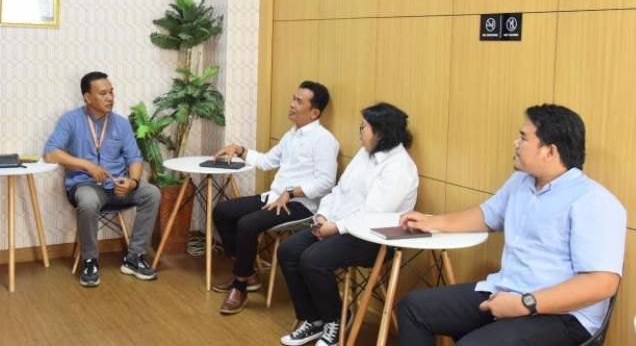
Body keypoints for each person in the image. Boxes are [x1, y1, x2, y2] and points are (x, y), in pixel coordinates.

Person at [397, 104, 626, 346]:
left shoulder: (594, 201)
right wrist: (433, 222)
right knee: (412, 308)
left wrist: (525, 303)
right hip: (507, 291)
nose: (516, 143)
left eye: (524, 138)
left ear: (549, 151)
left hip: (564, 316)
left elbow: (602, 283)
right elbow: (487, 215)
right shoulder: (521, 182)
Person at [278, 102, 419, 346]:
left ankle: (335, 323)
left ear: (380, 133)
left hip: (374, 239)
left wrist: (334, 228)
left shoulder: (399, 167)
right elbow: (338, 191)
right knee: (288, 250)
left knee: (313, 259)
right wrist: (322, 216)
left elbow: (372, 215)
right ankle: (313, 319)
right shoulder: (365, 153)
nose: (359, 132)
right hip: (339, 226)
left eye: (364, 127)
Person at [212, 80, 339, 315]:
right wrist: (239, 149)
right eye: (293, 99)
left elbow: (326, 182)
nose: (292, 104)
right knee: (222, 211)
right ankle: (248, 273)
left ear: (314, 112)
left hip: (300, 205)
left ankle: (240, 287)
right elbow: (267, 161)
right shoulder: (291, 135)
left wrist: (290, 193)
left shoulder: (325, 140)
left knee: (247, 224)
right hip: (274, 197)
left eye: (299, 101)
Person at [44, 71, 161, 287]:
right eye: (103, 93)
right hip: (85, 186)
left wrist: (133, 182)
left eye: (111, 92)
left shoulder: (121, 124)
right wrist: (87, 165)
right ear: (87, 97)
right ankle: (90, 261)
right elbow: (50, 154)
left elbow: (134, 158)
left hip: (117, 187)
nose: (110, 98)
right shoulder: (70, 119)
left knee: (151, 193)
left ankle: (134, 257)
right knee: (88, 201)